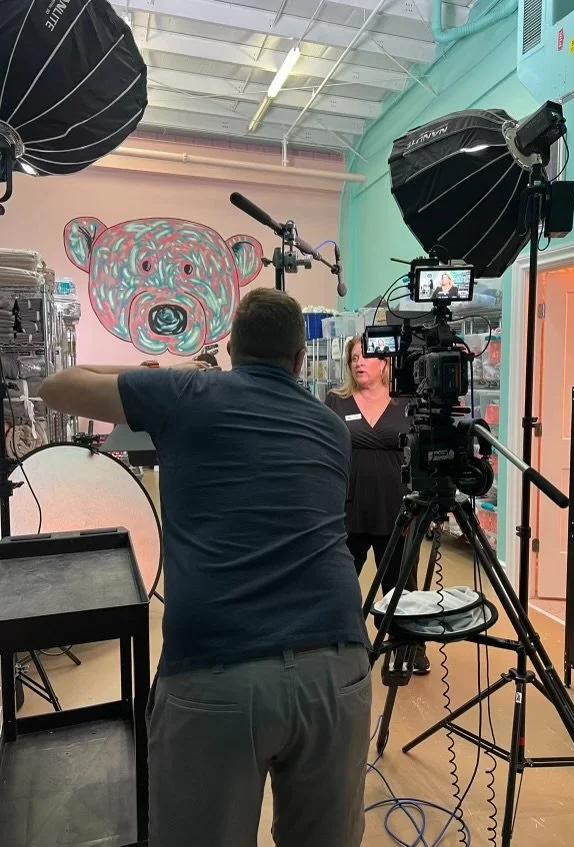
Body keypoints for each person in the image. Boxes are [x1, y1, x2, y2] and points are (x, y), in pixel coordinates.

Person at [40, 288, 372, 847]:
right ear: (299, 361)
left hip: (219, 668)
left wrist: (166, 374)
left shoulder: (186, 392)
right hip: (336, 667)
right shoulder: (332, 427)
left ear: (231, 349)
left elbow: (57, 386)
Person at [325, 337, 430, 675]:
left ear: (385, 363)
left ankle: (409, 647)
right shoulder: (336, 401)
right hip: (348, 509)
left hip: (397, 509)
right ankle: (344, 646)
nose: (358, 363)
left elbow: (422, 455)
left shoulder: (406, 402)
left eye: (366, 356)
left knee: (401, 585)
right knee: (340, 582)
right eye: (353, 357)